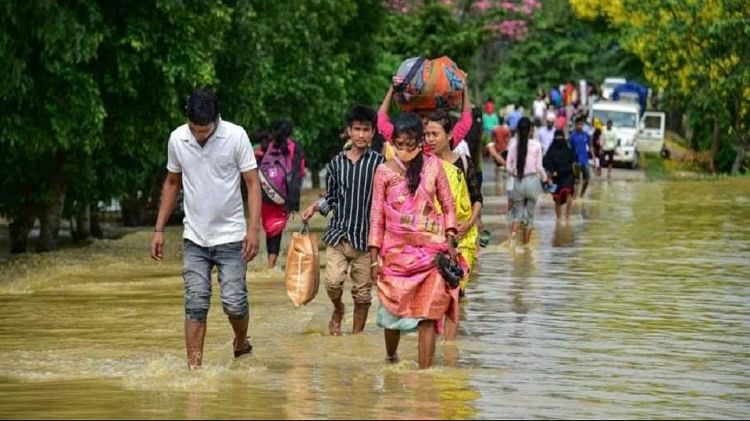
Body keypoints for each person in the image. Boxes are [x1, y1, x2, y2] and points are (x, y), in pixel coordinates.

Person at [150, 88, 261, 369]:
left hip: (232, 236)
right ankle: (194, 371)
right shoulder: (177, 139)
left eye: (205, 130)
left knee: (234, 302)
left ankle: (240, 341)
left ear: (217, 120)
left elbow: (252, 182)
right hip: (195, 237)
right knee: (195, 304)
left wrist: (253, 229)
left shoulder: (236, 136)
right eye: (195, 129)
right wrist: (159, 229)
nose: (199, 135)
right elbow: (173, 182)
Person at [369, 112, 459, 369]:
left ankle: (425, 373)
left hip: (431, 254)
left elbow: (448, 205)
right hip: (395, 254)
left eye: (411, 144)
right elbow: (376, 215)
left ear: (421, 142)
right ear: (393, 143)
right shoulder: (384, 172)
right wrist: (374, 257)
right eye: (400, 145)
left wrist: (451, 240)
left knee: (428, 314)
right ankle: (391, 358)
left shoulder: (434, 167)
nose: (405, 150)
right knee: (391, 311)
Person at [301, 105, 384, 336]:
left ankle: (356, 339)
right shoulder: (336, 163)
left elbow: (386, 202)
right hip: (339, 235)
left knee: (363, 294)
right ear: (349, 130)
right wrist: (315, 207)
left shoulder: (380, 164)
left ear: (373, 132)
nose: (361, 134)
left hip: (367, 241)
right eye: (356, 129)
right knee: (333, 282)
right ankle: (338, 309)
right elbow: (333, 197)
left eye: (366, 129)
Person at [424, 109, 483, 340]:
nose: (429, 139)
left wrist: (469, 223)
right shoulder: (424, 167)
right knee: (438, 292)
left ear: (449, 135)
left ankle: (449, 345)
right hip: (435, 238)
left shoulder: (464, 163)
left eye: (434, 134)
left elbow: (477, 198)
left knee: (455, 291)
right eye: (427, 134)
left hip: (463, 237)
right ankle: (436, 340)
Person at [259, 119, 305, 270]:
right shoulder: (295, 147)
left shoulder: (265, 146)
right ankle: (271, 265)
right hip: (283, 195)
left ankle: (268, 264)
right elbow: (298, 174)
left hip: (265, 194)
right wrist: (293, 202)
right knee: (277, 229)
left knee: (269, 228)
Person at [506, 117, 548, 246]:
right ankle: (525, 247)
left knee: (517, 214)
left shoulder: (513, 144)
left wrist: (515, 172)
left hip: (518, 182)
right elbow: (539, 167)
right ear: (530, 130)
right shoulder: (536, 145)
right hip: (532, 182)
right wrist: (545, 179)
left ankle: (513, 237)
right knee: (530, 217)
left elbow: (508, 167)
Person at [543, 130, 576, 220]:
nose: (559, 141)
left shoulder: (568, 148)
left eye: (560, 138)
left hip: (567, 174)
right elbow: (546, 161)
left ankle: (567, 217)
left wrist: (575, 176)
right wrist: (551, 171)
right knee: (557, 198)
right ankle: (558, 218)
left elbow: (572, 161)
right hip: (556, 177)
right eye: (557, 138)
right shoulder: (551, 149)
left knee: (569, 193)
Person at [570, 116, 592, 197]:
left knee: (587, 179)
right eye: (578, 124)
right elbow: (569, 149)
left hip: (585, 160)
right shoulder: (572, 136)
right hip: (576, 161)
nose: (579, 126)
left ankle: (581, 195)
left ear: (583, 125)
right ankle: (575, 197)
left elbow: (590, 146)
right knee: (576, 180)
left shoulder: (586, 135)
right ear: (575, 125)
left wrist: (593, 157)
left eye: (581, 124)